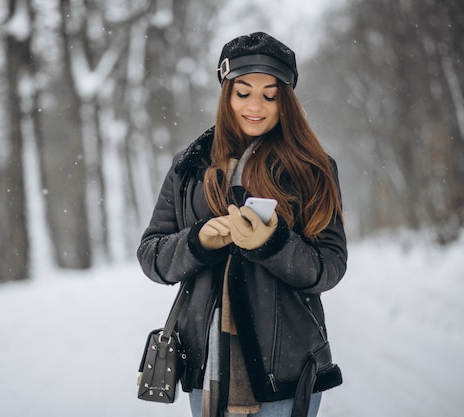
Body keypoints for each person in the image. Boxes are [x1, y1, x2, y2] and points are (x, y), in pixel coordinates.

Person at [137, 32, 347, 417]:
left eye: (270, 95)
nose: (256, 106)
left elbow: (329, 267)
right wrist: (198, 242)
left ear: (286, 102)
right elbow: (152, 256)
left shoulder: (313, 168)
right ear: (226, 94)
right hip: (208, 365)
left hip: (289, 367)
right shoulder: (189, 166)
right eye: (243, 92)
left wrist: (274, 244)